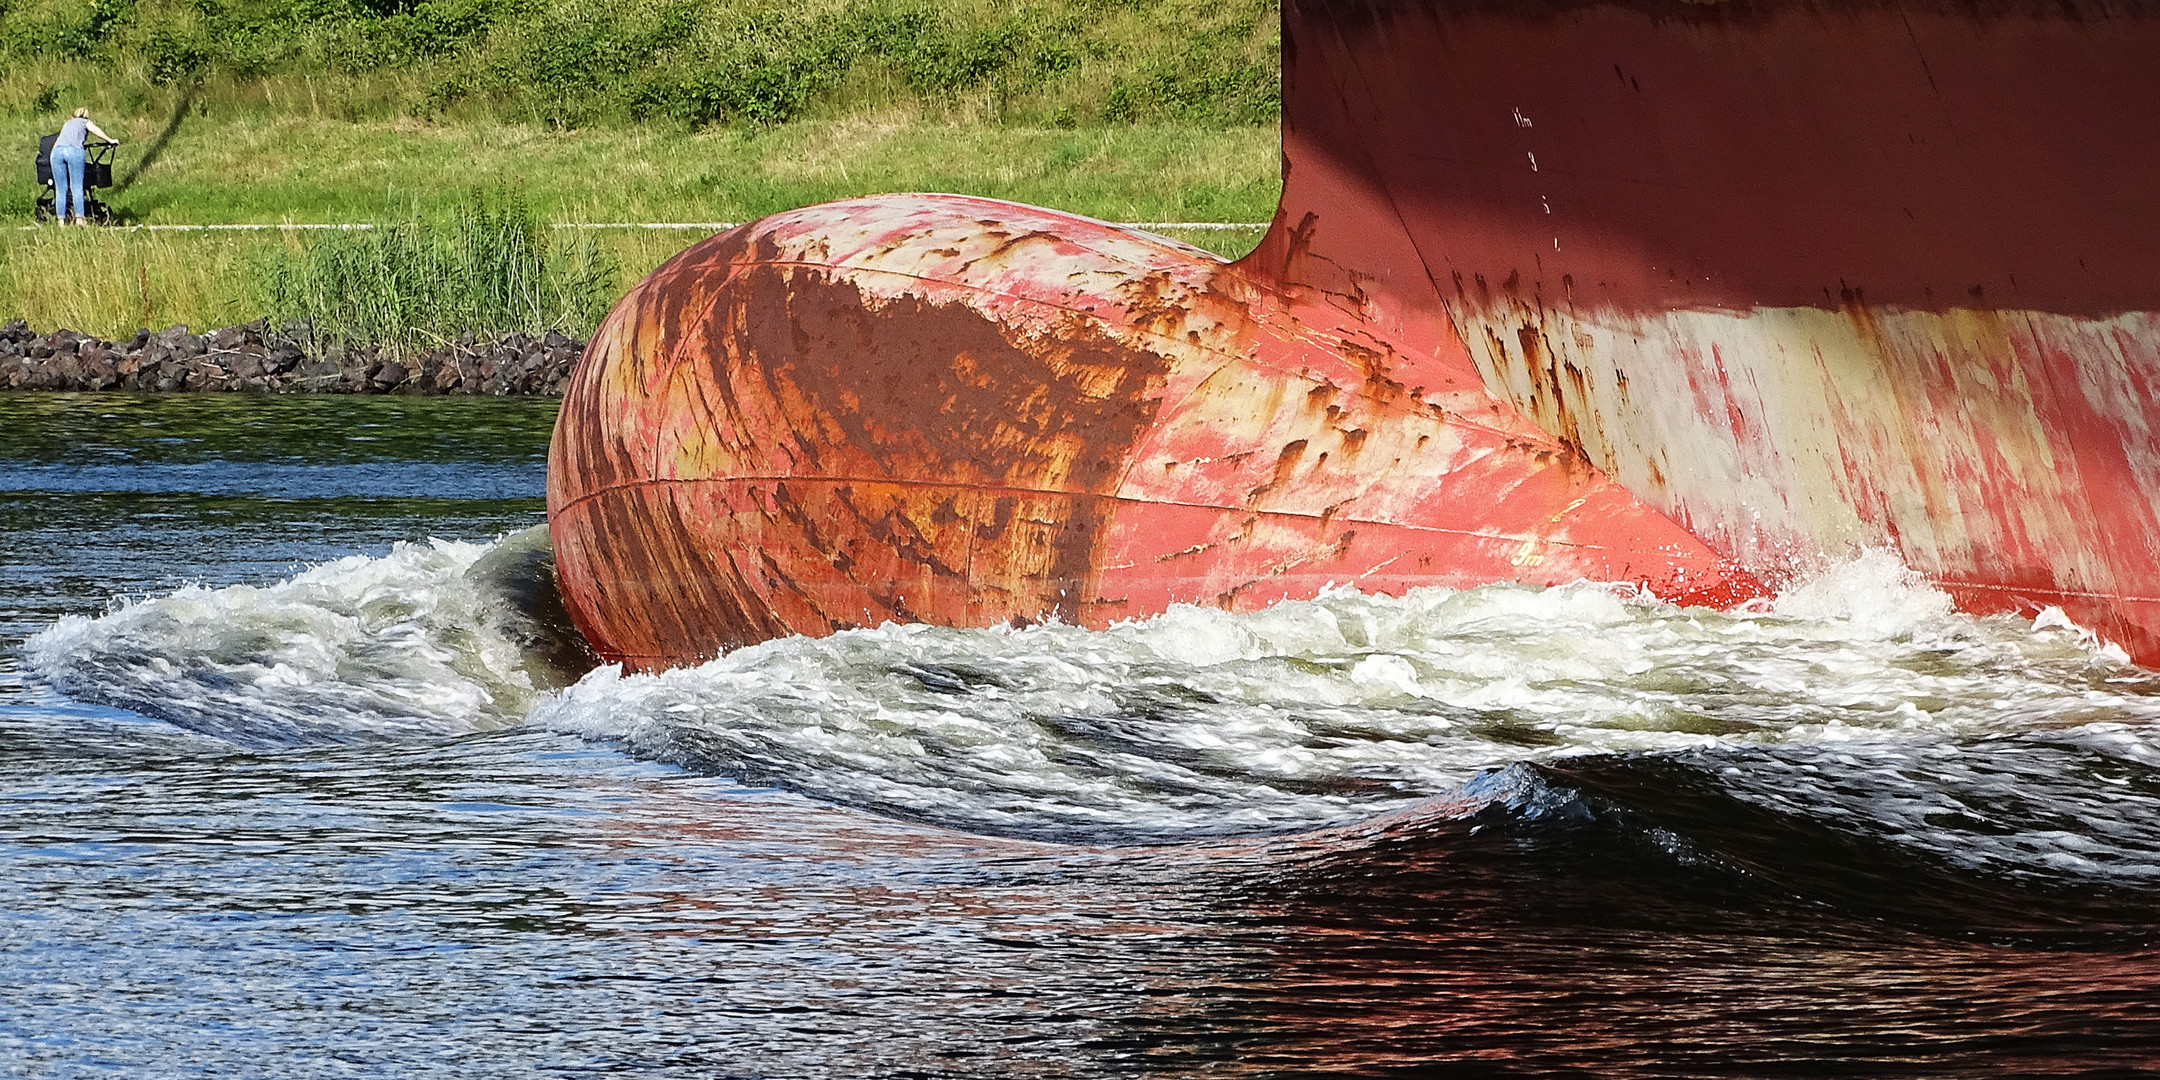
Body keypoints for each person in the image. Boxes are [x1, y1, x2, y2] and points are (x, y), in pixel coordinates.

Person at [51, 107, 117, 226]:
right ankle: (80, 219)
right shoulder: (85, 122)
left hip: (57, 152)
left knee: (61, 189)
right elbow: (94, 129)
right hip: (74, 151)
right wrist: (109, 140)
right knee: (76, 187)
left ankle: (61, 220)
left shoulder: (67, 123)